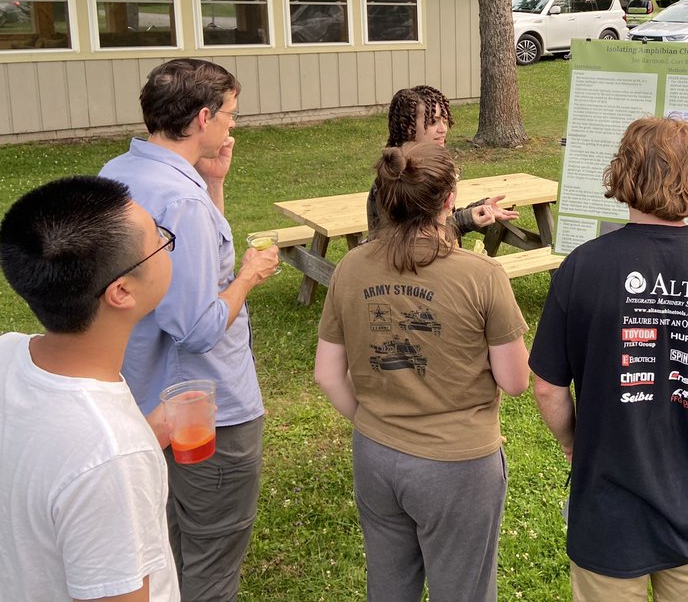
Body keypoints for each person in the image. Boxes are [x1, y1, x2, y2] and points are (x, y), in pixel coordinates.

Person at [530, 116, 688, 602]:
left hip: (606, 510)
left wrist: (572, 446)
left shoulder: (582, 267)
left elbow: (547, 385)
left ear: (623, 173)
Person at [315, 141, 530, 602]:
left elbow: (327, 374)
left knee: (389, 589)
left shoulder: (350, 268)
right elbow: (515, 382)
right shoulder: (482, 276)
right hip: (458, 465)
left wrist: (373, 420)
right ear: (450, 199)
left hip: (375, 453)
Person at [99, 58, 278, 601]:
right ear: (203, 117)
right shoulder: (180, 201)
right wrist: (249, 276)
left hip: (142, 402)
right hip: (206, 416)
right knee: (212, 557)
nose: (232, 126)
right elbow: (197, 328)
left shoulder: (117, 175)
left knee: (165, 545)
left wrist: (214, 183)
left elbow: (200, 266)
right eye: (229, 114)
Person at [0, 175, 180, 601]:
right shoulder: (113, 458)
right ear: (121, 291)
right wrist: (121, 447)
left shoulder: (7, 354)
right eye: (159, 239)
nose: (168, 245)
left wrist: (138, 437)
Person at [365, 85, 517, 235]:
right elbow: (414, 238)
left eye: (444, 120)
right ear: (408, 127)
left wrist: (473, 213)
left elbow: (435, 223)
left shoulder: (433, 167)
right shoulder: (395, 179)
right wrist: (467, 218)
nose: (443, 129)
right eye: (433, 122)